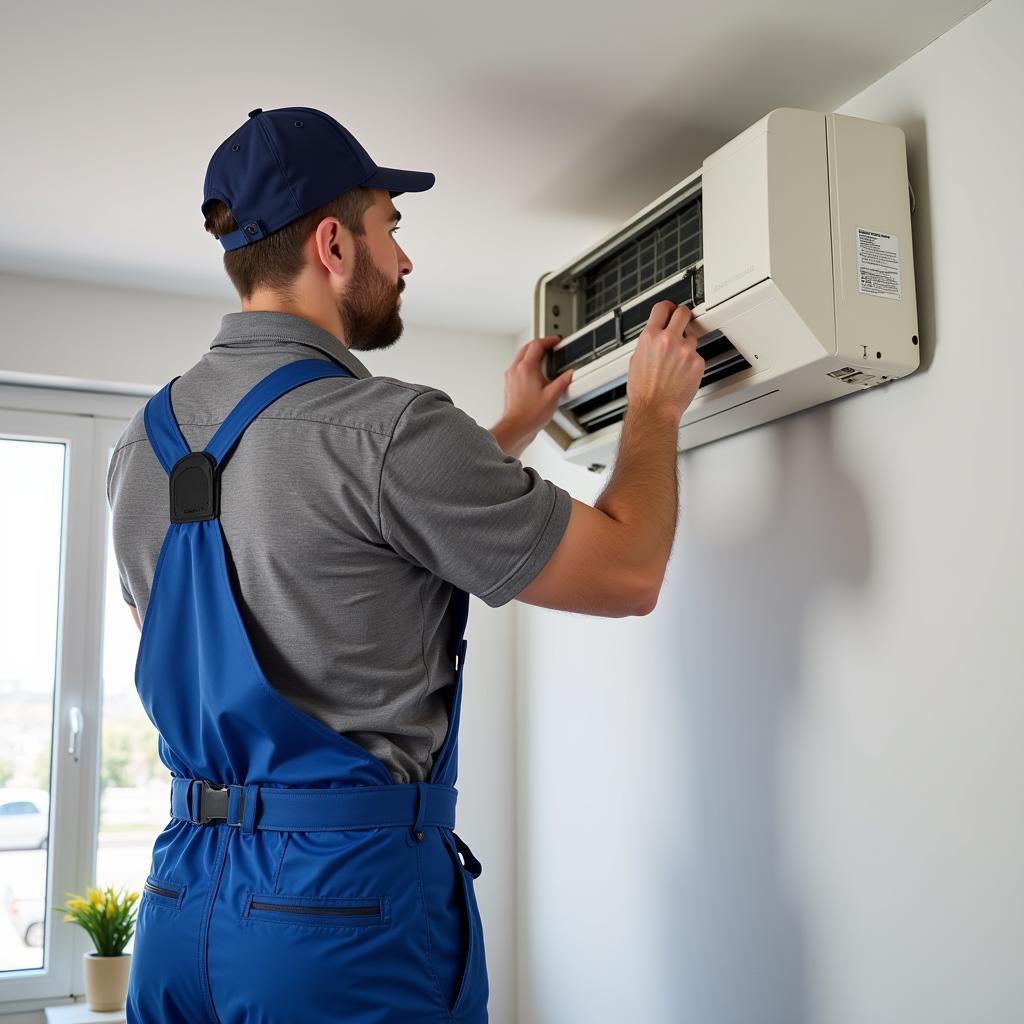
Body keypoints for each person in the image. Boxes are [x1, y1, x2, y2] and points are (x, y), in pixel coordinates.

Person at [106, 105, 704, 1024]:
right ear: (334, 245)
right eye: (393, 229)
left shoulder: (140, 449)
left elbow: (314, 535)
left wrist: (502, 436)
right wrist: (656, 412)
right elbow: (627, 574)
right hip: (337, 922)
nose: (407, 260)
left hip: (181, 915)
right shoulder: (387, 427)